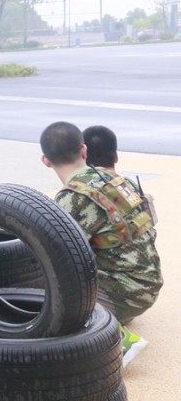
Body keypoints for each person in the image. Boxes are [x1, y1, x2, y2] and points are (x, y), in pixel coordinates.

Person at [39, 121, 163, 366]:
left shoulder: (71, 199)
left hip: (125, 296)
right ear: (83, 150)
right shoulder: (117, 181)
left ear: (45, 160)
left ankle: (116, 339)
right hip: (150, 284)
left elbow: (61, 259)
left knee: (43, 283)